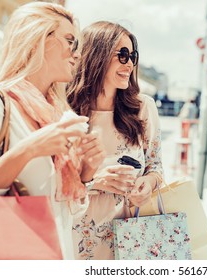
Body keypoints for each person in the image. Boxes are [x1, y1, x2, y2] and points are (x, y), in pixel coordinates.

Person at [0, 2, 105, 259]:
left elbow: (65, 212)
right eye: (70, 41)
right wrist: (29, 149)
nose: (77, 54)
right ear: (37, 38)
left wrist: (85, 174)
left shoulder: (60, 116)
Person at [68, 21, 163, 260]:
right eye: (122, 55)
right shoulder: (64, 111)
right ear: (96, 56)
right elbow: (50, 183)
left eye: (132, 55)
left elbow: (156, 167)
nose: (129, 63)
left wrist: (148, 185)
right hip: (74, 238)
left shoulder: (143, 108)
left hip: (131, 238)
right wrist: (94, 182)